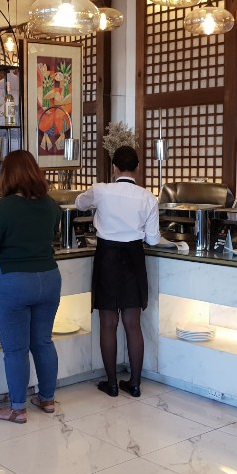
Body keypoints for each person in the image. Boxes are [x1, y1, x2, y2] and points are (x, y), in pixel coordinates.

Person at [0, 150, 62, 423]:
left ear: (7, 176)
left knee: (15, 349)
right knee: (43, 342)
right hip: (48, 279)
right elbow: (55, 224)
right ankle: (47, 399)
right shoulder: (49, 204)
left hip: (14, 281)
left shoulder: (4, 207)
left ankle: (17, 409)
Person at [75, 146, 160, 398]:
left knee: (108, 323)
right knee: (133, 324)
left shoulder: (101, 190)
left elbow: (79, 203)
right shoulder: (148, 198)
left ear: (114, 168)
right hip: (134, 257)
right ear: (138, 168)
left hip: (107, 257)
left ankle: (111, 383)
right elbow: (153, 240)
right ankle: (135, 383)